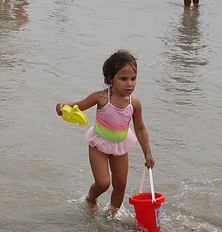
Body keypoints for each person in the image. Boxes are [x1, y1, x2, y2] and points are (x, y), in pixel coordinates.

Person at [55, 50, 155, 215]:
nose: (129, 84)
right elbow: (76, 107)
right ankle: (90, 199)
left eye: (133, 78)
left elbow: (140, 128)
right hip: (99, 143)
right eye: (123, 79)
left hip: (120, 145)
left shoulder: (134, 102)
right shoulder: (101, 98)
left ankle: (112, 215)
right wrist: (61, 107)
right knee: (103, 183)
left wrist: (148, 153)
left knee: (121, 184)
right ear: (110, 78)